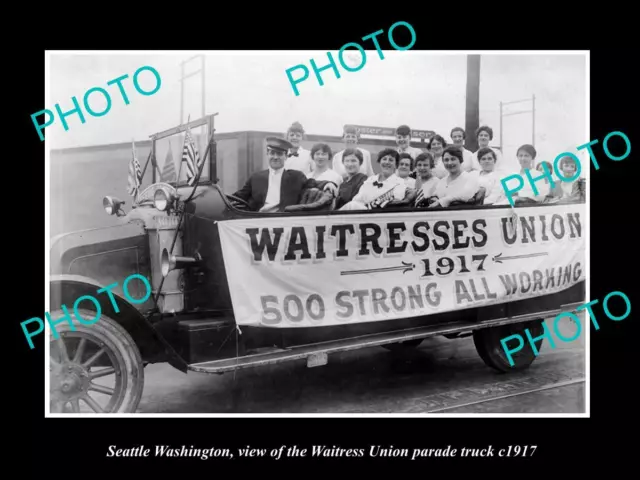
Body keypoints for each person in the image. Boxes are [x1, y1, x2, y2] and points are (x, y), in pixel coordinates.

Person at [232, 137, 332, 212]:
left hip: (284, 224)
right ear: (267, 154)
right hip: (258, 222)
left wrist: (328, 184)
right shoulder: (256, 178)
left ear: (286, 156)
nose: (275, 157)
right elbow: (239, 197)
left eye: (279, 154)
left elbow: (312, 183)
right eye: (272, 153)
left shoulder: (296, 177)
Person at [340, 148, 407, 210]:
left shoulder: (400, 183)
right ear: (380, 162)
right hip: (362, 213)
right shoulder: (370, 179)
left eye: (391, 160)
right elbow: (358, 199)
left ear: (396, 165)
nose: (387, 162)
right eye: (384, 159)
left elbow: (395, 202)